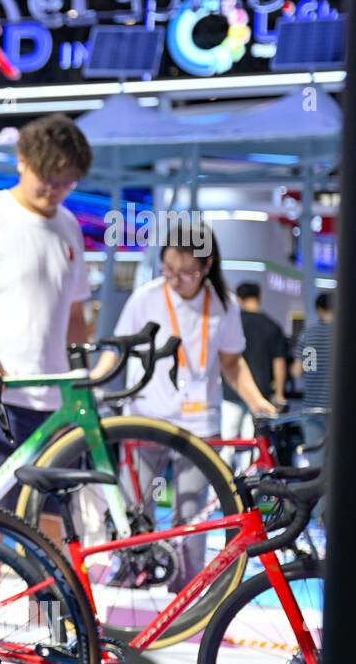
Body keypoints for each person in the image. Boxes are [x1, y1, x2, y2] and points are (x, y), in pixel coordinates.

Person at [92, 229, 276, 592]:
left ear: (207, 266)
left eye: (185, 272)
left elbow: (232, 363)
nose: (175, 280)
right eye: (168, 270)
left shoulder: (223, 305)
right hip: (146, 419)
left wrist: (258, 403)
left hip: (198, 423)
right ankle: (133, 575)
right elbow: (117, 350)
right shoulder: (146, 298)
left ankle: (187, 586)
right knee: (135, 507)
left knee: (192, 513)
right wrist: (95, 380)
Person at [0, 114, 93, 497]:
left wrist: (82, 377)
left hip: (58, 399)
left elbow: (76, 314)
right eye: (47, 177)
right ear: (22, 162)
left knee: (54, 517)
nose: (55, 189)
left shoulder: (69, 225)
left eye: (66, 181)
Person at [220, 281, 287, 447]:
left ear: (239, 299)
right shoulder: (273, 326)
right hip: (260, 392)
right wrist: (279, 393)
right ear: (260, 297)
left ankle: (225, 473)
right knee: (254, 445)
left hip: (230, 390)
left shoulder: (231, 323)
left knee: (226, 444)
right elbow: (279, 362)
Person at [292, 291, 333, 469]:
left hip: (313, 408)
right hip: (342, 410)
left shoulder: (309, 336)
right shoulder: (348, 335)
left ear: (318, 309)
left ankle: (318, 498)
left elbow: (299, 371)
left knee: (316, 466)